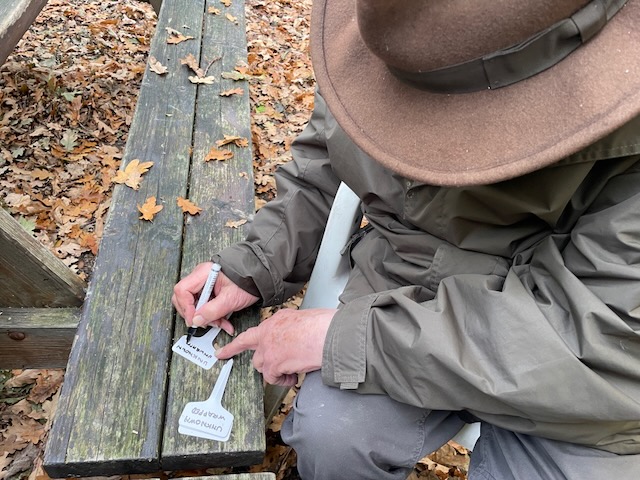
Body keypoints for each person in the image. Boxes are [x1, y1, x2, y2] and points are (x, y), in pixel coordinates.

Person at [172, 0, 640, 478]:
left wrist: (353, 341)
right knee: (333, 438)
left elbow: (606, 331)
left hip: (586, 372)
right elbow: (324, 161)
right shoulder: (387, 41)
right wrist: (255, 262)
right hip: (402, 282)